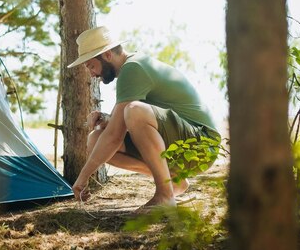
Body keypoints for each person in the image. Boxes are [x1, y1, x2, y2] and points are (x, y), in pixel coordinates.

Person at [67, 26, 220, 208]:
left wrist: (82, 178)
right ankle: (173, 180)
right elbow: (119, 123)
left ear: (107, 55)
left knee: (134, 111)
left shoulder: (133, 68)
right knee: (96, 138)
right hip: (182, 142)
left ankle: (165, 195)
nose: (91, 74)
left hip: (202, 145)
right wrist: (107, 119)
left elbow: (117, 134)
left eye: (91, 65)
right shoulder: (131, 67)